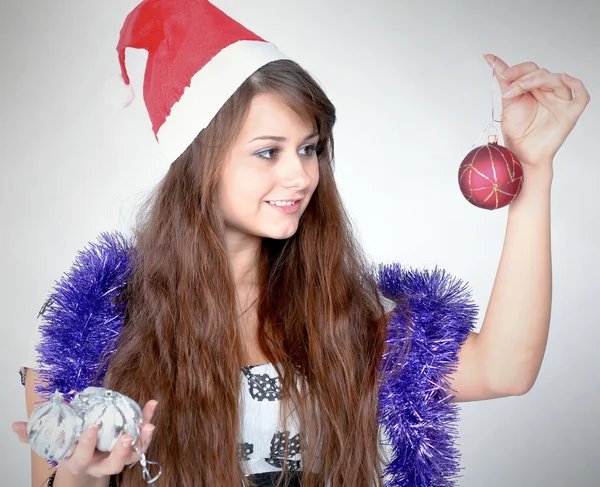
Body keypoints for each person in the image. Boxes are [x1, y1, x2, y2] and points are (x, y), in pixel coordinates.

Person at [11, 0, 590, 486]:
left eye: (309, 148)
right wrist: (82, 478)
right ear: (198, 164)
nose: (301, 176)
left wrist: (534, 170)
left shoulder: (344, 318)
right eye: (269, 151)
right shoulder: (94, 333)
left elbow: (505, 369)